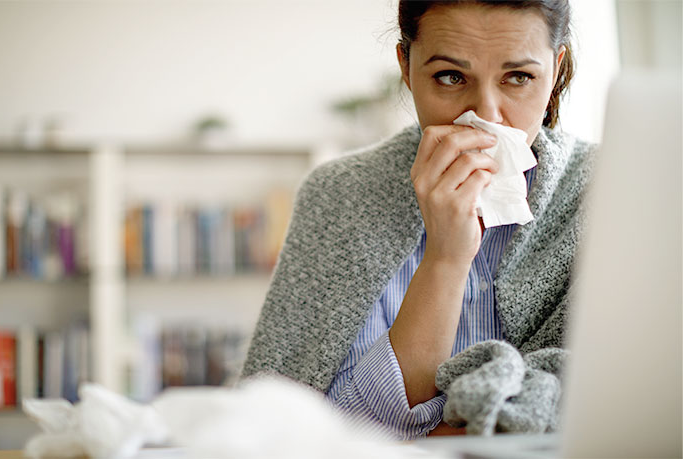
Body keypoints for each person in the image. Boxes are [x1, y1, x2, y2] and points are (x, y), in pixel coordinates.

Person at [242, 0, 594, 439]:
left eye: (518, 78)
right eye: (450, 77)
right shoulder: (341, 194)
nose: (486, 115)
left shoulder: (606, 193)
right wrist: (446, 257)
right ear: (406, 68)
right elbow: (306, 427)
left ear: (556, 70)